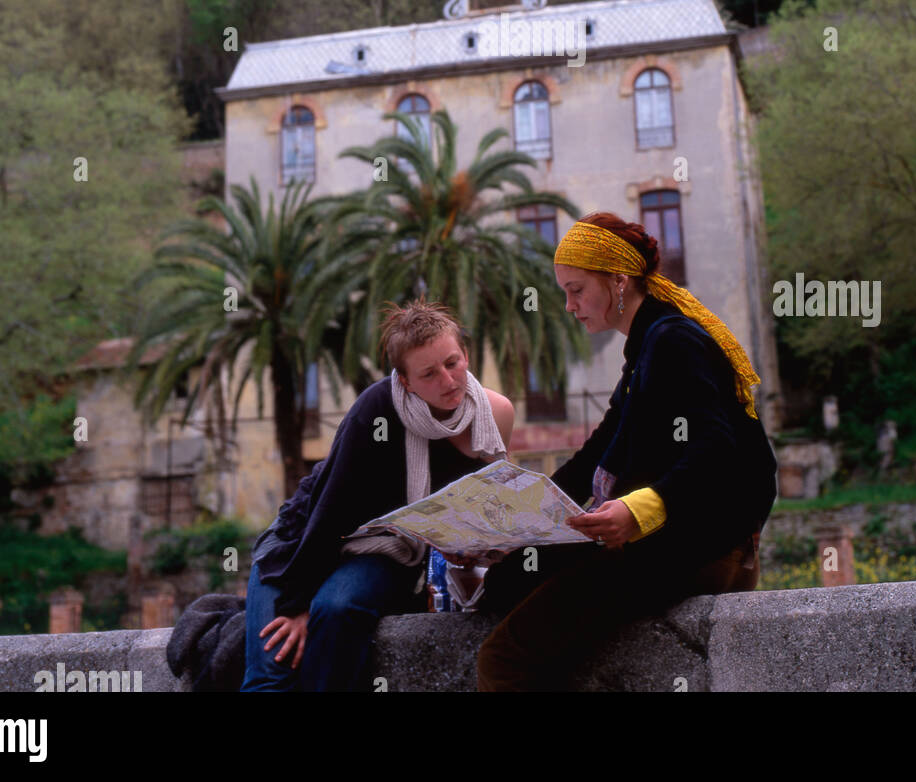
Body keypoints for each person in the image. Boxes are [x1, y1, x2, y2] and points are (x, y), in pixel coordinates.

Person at [476, 212, 777, 692]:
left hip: (705, 547)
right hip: (676, 541)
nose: (569, 306)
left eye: (576, 290)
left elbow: (716, 447)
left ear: (618, 282)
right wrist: (521, 518)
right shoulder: (647, 346)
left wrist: (639, 511)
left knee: (503, 660)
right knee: (508, 582)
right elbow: (600, 449)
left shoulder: (674, 340)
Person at [241, 299, 514, 691]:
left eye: (452, 363)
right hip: (300, 543)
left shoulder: (496, 414)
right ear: (405, 381)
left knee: (337, 608)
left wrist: (466, 547)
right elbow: (329, 511)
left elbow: (480, 507)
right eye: (429, 373)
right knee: (273, 669)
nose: (448, 380)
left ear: (465, 354)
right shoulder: (376, 412)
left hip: (388, 549)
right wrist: (298, 604)